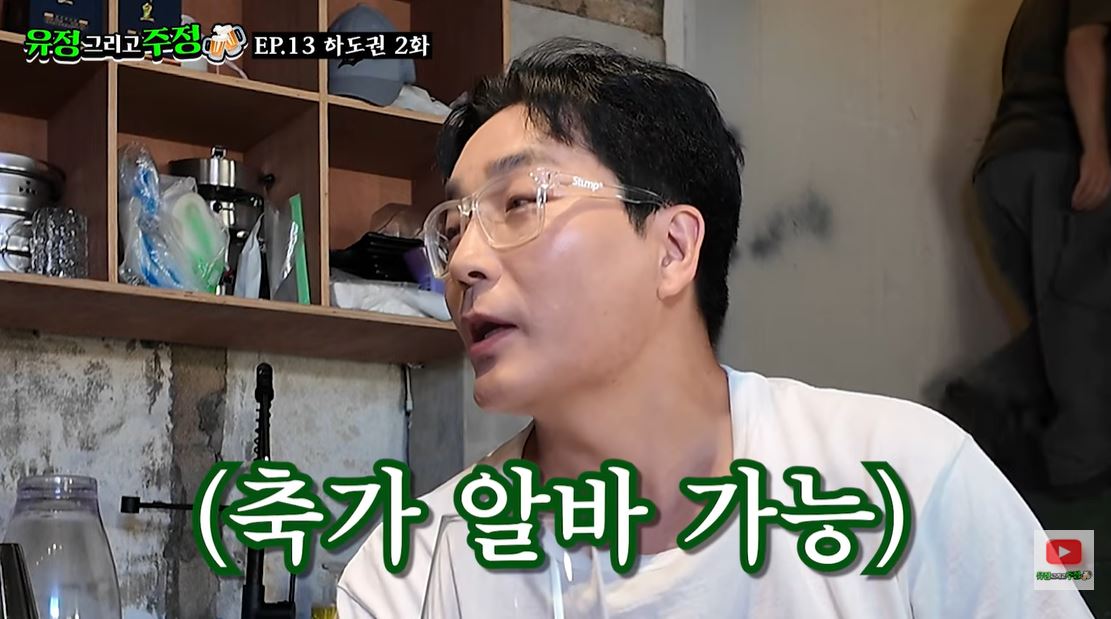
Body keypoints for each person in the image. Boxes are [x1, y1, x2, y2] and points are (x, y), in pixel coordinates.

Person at [338, 38, 1091, 617]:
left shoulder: (907, 479)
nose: (464, 262)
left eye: (519, 202)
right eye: (453, 228)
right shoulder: (412, 573)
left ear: (672, 248)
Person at [949, 0, 1111, 497]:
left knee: (1062, 330)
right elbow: (1083, 46)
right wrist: (1096, 150)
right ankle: (1077, 480)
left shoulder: (1032, 9)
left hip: (1006, 169)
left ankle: (988, 404)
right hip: (1061, 167)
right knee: (1086, 331)